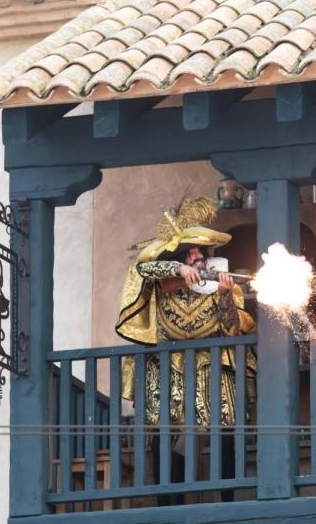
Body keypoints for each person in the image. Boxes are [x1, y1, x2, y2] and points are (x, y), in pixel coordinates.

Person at [115, 196, 255, 502]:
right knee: (165, 436)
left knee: (224, 434)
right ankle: (168, 502)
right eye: (188, 252)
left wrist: (226, 294)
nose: (196, 256)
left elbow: (233, 328)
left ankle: (227, 501)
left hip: (212, 368)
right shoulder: (162, 280)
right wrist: (177, 269)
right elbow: (141, 270)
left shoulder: (219, 283)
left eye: (198, 251)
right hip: (168, 368)